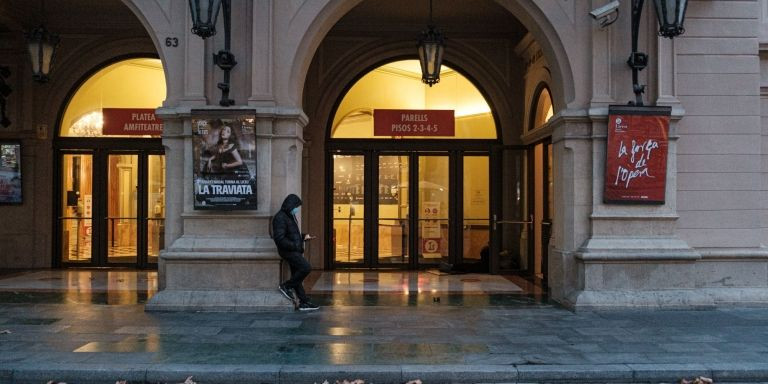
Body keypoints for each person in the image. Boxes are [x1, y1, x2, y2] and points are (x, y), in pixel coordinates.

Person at [273, 194, 319, 311]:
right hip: (288, 251)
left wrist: (303, 237)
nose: (297, 209)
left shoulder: (290, 216)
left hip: (293, 250)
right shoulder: (280, 218)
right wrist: (295, 245)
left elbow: (293, 234)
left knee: (296, 277)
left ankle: (303, 302)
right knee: (306, 268)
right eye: (296, 206)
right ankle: (286, 286)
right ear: (290, 205)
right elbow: (279, 238)